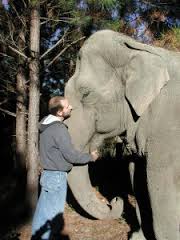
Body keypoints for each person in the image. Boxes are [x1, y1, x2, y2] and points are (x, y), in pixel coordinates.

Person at [31, 96, 99, 239]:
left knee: (42, 215)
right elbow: (71, 155)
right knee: (54, 219)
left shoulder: (45, 126)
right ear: (60, 112)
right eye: (68, 106)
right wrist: (91, 157)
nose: (71, 107)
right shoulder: (58, 129)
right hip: (56, 177)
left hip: (47, 175)